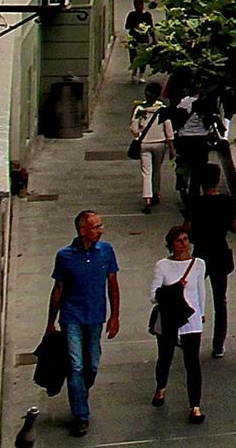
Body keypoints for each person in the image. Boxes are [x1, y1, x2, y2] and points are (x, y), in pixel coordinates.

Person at [48, 211, 120, 438]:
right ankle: (81, 414)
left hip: (95, 316)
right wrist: (50, 322)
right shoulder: (65, 256)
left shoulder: (106, 251)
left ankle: (80, 390)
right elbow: (58, 289)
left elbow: (113, 284)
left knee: (92, 365)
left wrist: (115, 316)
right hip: (71, 316)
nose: (101, 230)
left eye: (100, 225)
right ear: (82, 231)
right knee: (76, 365)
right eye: (96, 227)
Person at [182, 164, 236, 357]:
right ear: (218, 181)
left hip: (200, 253)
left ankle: (189, 336)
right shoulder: (227, 202)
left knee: (191, 296)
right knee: (220, 301)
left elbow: (186, 228)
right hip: (220, 252)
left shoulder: (195, 203)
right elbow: (235, 228)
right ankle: (218, 345)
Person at [149, 225, 208, 423]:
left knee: (192, 363)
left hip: (191, 318)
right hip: (169, 318)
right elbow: (154, 296)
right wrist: (175, 288)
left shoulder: (198, 264)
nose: (183, 244)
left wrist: (202, 313)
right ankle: (161, 387)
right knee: (165, 357)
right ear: (171, 244)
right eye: (178, 240)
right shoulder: (162, 265)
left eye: (186, 239)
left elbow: (200, 291)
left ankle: (195, 406)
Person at [130, 82, 171, 213]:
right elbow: (168, 128)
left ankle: (147, 198)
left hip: (144, 143)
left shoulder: (140, 109)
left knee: (146, 172)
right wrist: (171, 145)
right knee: (157, 169)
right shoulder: (162, 109)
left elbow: (134, 128)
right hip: (160, 143)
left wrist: (139, 134)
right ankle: (156, 192)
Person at [124, 0, 154, 80]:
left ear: (142, 5)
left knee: (142, 57)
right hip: (133, 38)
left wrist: (153, 38)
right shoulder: (131, 15)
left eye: (139, 5)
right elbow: (127, 26)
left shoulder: (147, 15)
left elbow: (151, 27)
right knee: (133, 56)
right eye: (136, 5)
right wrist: (135, 26)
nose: (137, 7)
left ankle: (141, 74)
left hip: (143, 39)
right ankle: (134, 70)